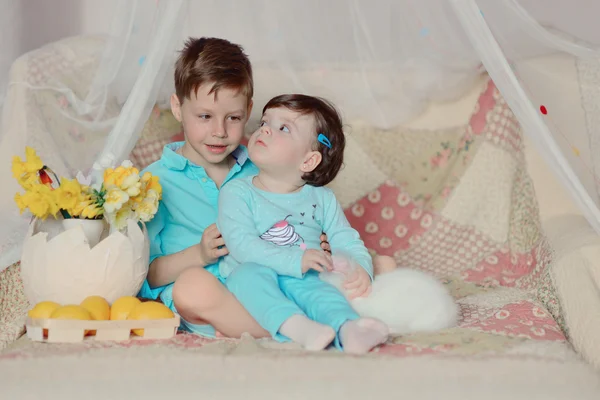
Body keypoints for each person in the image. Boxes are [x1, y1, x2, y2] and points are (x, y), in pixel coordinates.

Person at [139, 36, 393, 340]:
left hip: (279, 279)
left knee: (379, 263)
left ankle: (328, 317)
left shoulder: (261, 167)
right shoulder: (153, 183)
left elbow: (300, 219)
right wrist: (199, 254)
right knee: (191, 288)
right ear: (178, 108)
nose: (219, 132)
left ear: (248, 110)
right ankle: (312, 324)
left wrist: (318, 245)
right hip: (217, 294)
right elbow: (145, 275)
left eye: (233, 118)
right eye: (205, 116)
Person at [217, 94, 389, 354]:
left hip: (304, 276)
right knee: (246, 276)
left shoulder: (321, 198)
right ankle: (301, 329)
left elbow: (345, 238)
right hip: (253, 278)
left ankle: (350, 329)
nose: (265, 129)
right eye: (265, 122)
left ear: (308, 161)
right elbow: (242, 245)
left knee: (321, 292)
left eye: (283, 128)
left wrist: (361, 269)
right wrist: (295, 261)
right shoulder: (237, 192)